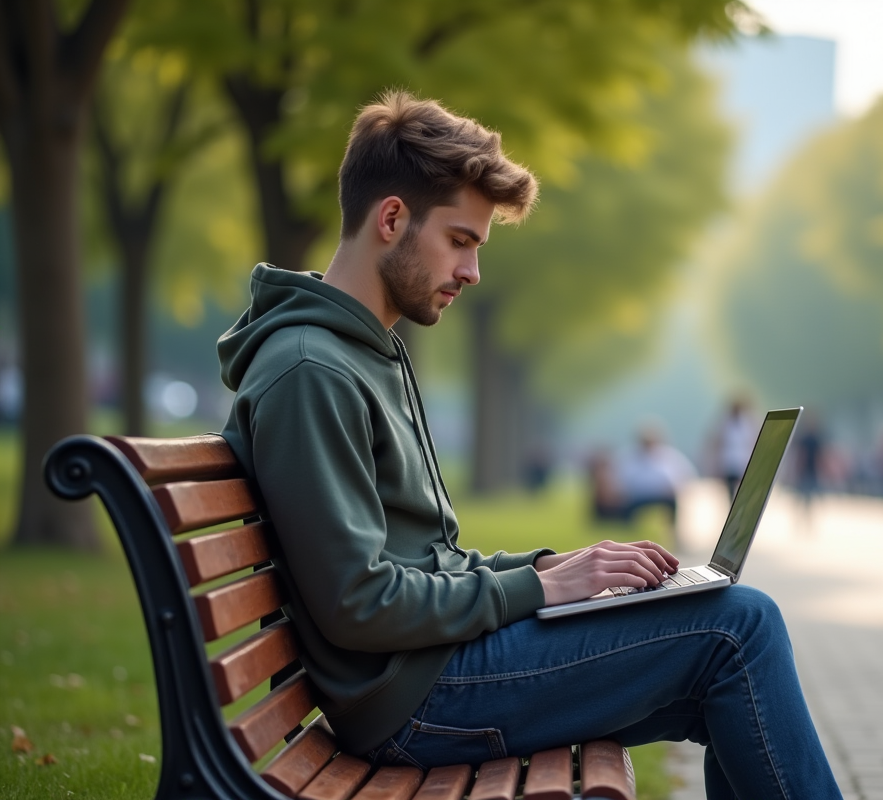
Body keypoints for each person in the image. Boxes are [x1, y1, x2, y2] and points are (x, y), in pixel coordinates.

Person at [217, 91, 841, 799]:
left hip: (433, 670)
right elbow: (358, 602)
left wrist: (553, 566)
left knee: (724, 672)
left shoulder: (362, 353)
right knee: (740, 629)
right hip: (417, 702)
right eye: (460, 240)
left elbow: (429, 562)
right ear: (391, 218)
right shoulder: (313, 371)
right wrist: (539, 589)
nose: (472, 272)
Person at [617, 422, 697, 533]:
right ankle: (628, 534)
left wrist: (677, 489)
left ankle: (672, 532)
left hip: (663, 496)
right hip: (636, 498)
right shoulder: (628, 456)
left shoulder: (669, 455)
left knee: (673, 505)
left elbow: (686, 475)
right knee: (625, 509)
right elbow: (619, 479)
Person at [708, 397, 757, 500]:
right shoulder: (725, 423)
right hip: (729, 462)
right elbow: (718, 443)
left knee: (743, 489)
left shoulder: (747, 423)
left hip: (742, 461)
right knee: (730, 490)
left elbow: (751, 443)